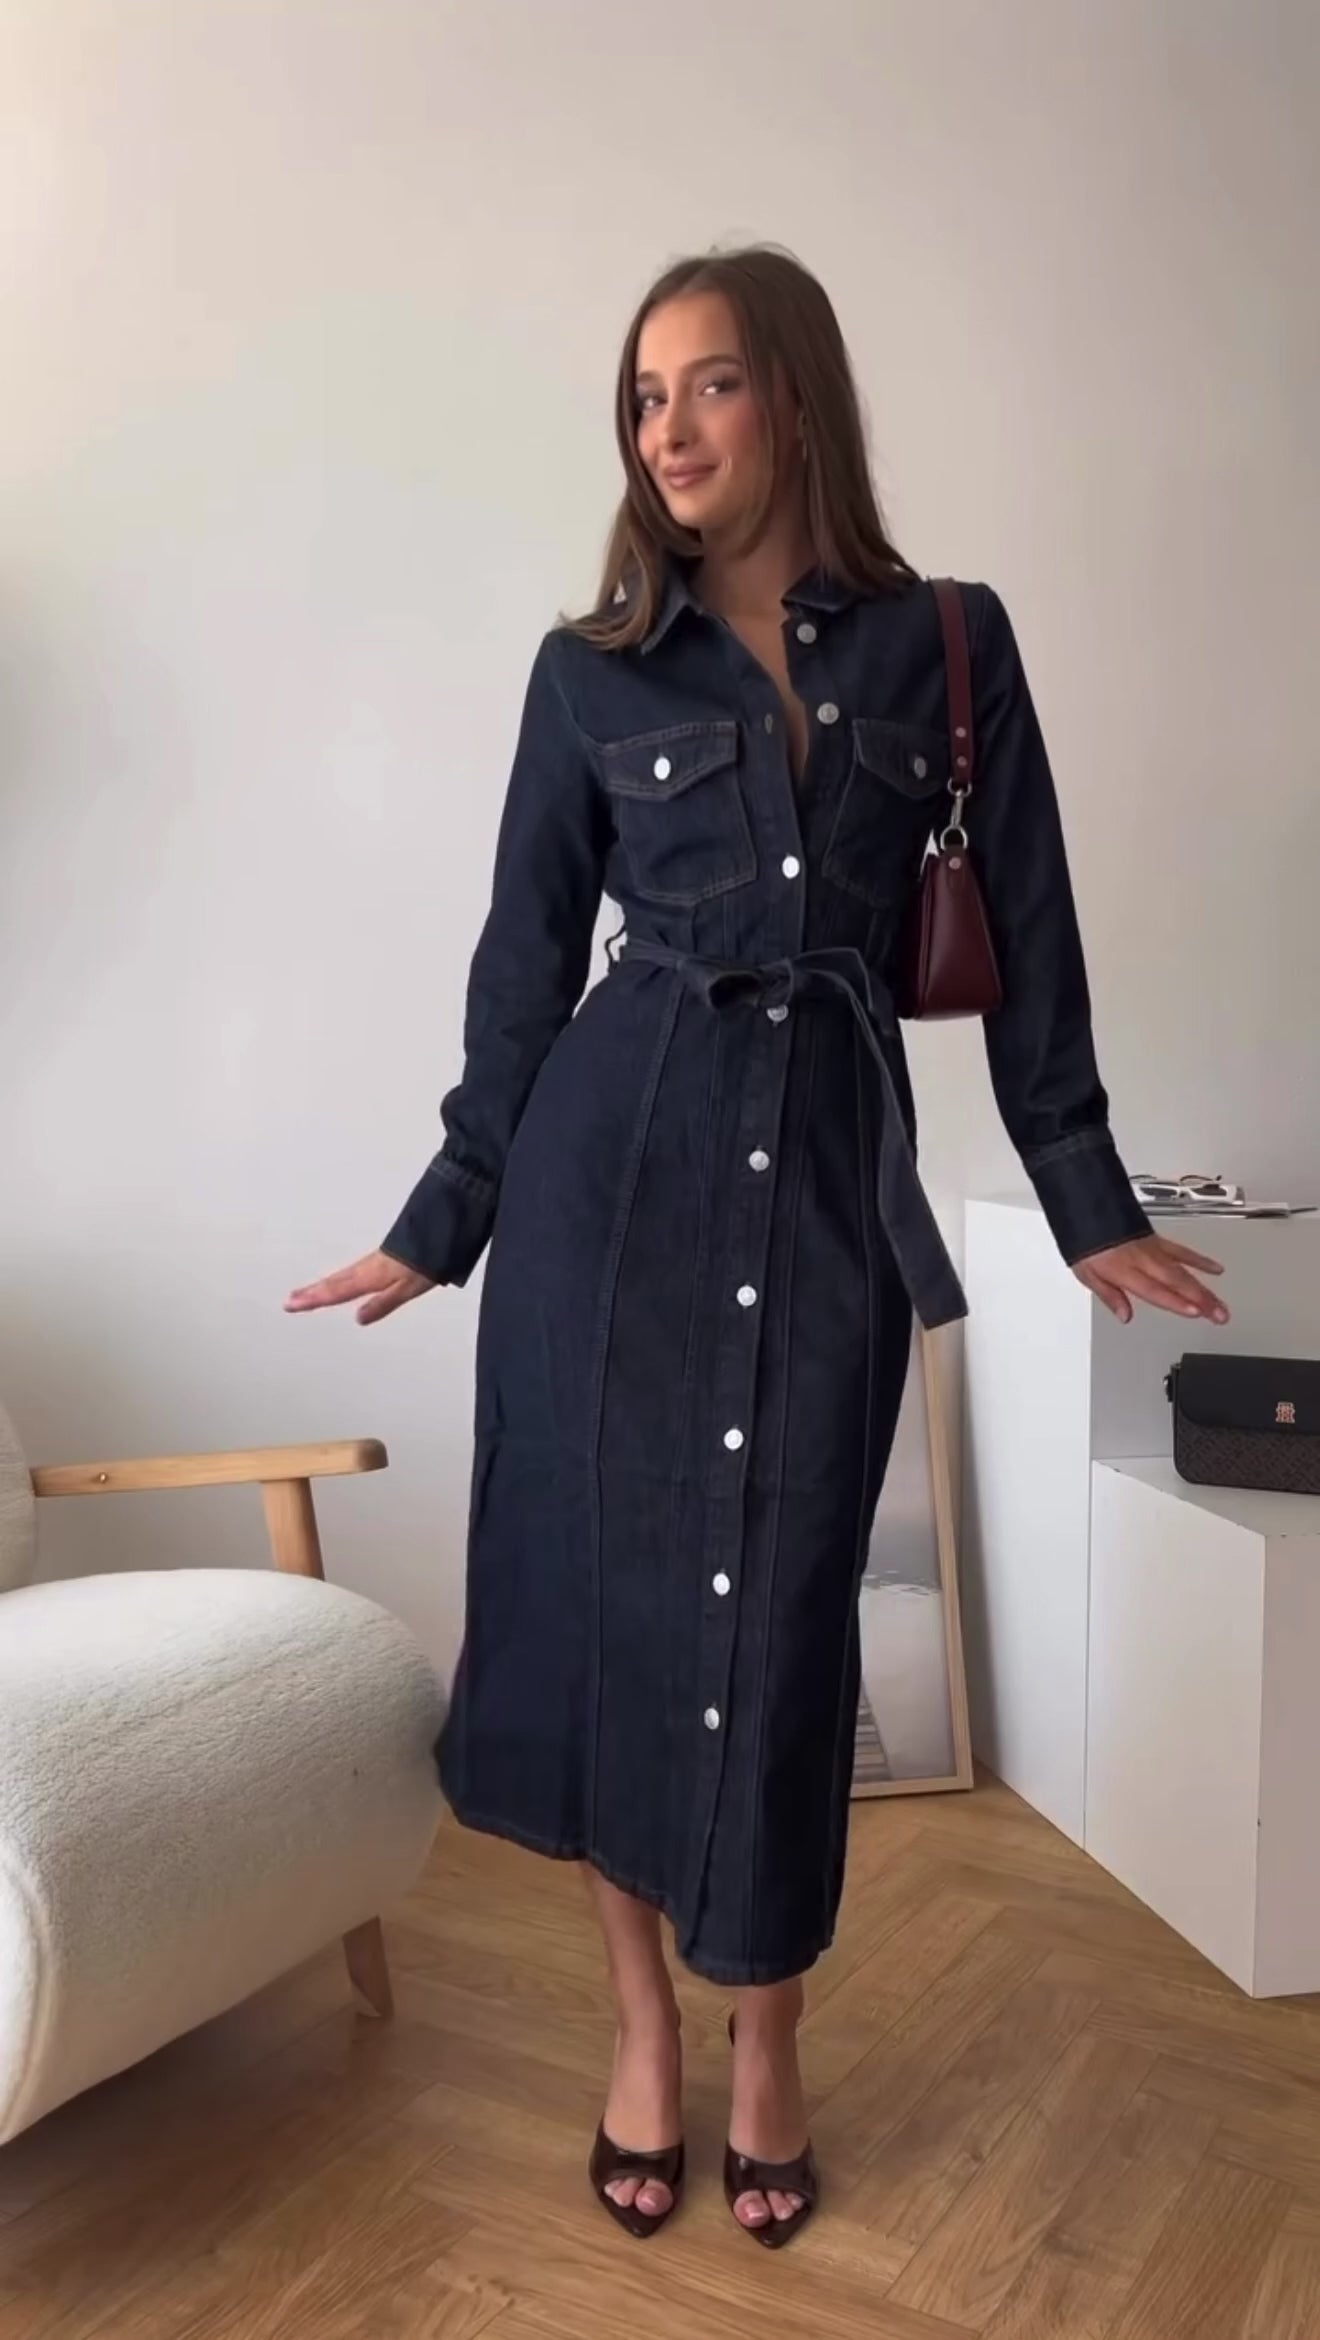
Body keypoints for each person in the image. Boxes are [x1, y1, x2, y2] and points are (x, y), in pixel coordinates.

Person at [286, 246, 1229, 2248]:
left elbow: (1033, 933)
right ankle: (644, 2024)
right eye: (643, 398)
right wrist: (446, 1218)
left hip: (822, 1187)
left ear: (793, 397)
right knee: (617, 1622)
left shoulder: (950, 645)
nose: (670, 430)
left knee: (784, 1621)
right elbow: (523, 975)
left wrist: (1089, 1201)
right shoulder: (590, 673)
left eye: (708, 384)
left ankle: (769, 2034)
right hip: (605, 1192)